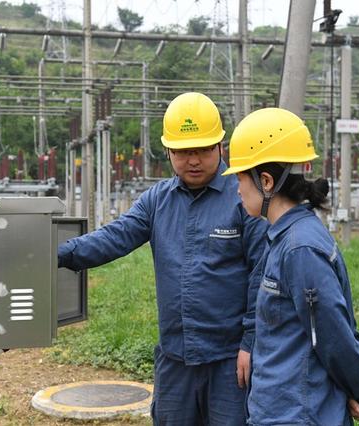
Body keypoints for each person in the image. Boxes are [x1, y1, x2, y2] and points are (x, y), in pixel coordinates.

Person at [58, 92, 268, 425]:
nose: (193, 160)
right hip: (175, 358)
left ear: (220, 147)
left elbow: (262, 273)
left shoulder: (242, 197)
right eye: (183, 152)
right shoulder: (158, 200)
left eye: (202, 150)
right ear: (168, 151)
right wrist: (56, 254)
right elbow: (115, 236)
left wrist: (250, 343)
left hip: (229, 360)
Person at [222, 107, 359, 425]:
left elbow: (334, 336)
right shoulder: (286, 237)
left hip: (300, 414)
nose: (237, 188)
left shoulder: (300, 248)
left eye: (240, 178)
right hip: (283, 410)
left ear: (265, 181)